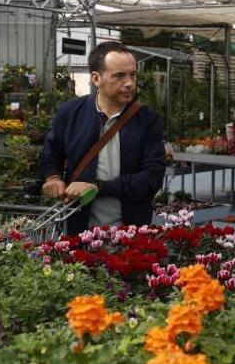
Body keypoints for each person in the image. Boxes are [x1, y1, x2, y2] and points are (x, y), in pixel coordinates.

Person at [40, 41, 166, 235]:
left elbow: (152, 178)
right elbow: (51, 153)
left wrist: (98, 187)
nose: (129, 83)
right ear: (96, 78)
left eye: (133, 74)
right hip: (78, 230)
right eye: (119, 76)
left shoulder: (146, 119)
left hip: (131, 233)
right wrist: (53, 178)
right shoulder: (71, 113)